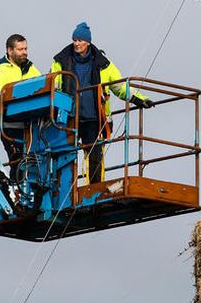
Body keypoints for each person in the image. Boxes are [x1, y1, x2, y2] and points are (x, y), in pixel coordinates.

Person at [49, 22, 150, 185]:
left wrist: (138, 98)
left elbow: (119, 86)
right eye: (74, 40)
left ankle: (94, 187)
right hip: (69, 117)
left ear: (88, 42)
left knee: (95, 155)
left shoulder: (102, 63)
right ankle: (65, 191)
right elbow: (53, 86)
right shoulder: (61, 61)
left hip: (94, 117)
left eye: (80, 40)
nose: (77, 43)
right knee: (64, 154)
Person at [0, 33, 42, 182]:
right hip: (11, 127)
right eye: (20, 49)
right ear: (10, 51)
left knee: (37, 161)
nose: (24, 52)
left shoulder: (31, 69)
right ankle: (17, 193)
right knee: (18, 162)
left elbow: (44, 90)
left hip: (31, 128)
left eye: (25, 48)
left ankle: (34, 192)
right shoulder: (1, 71)